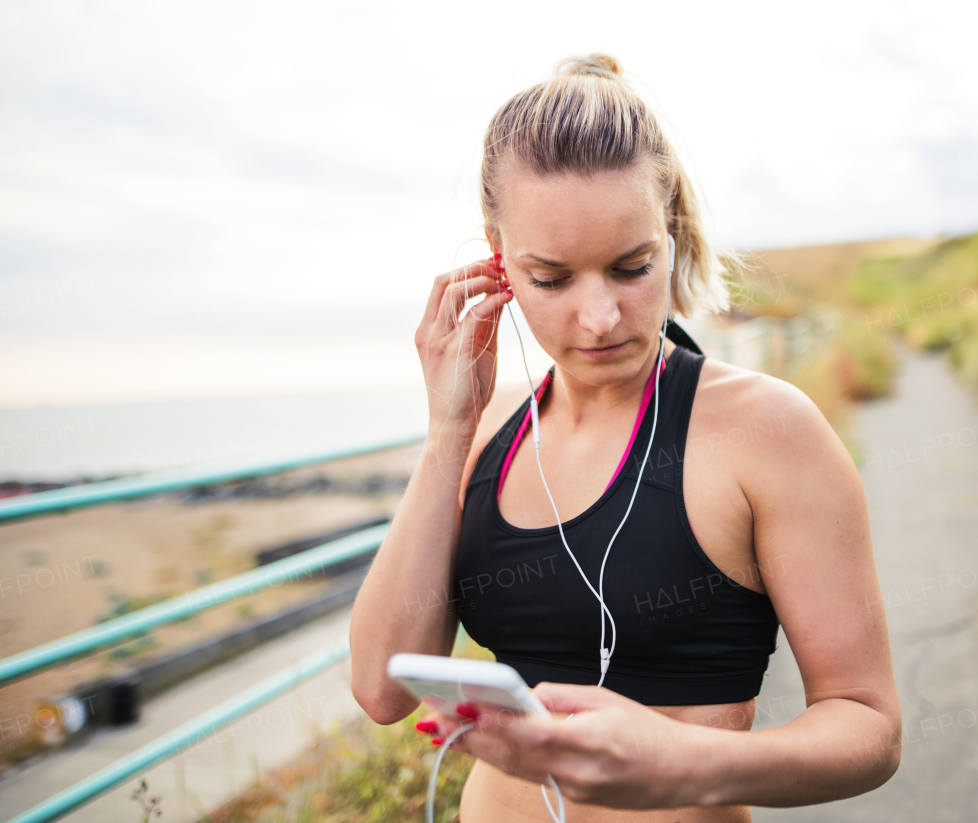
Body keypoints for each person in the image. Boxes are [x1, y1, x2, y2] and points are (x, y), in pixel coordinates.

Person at [350, 53, 900, 822]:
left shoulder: (765, 431)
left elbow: (869, 726)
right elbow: (381, 688)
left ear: (668, 228)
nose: (601, 316)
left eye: (631, 266)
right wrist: (449, 428)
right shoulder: (487, 436)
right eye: (551, 278)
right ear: (498, 256)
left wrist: (692, 763)